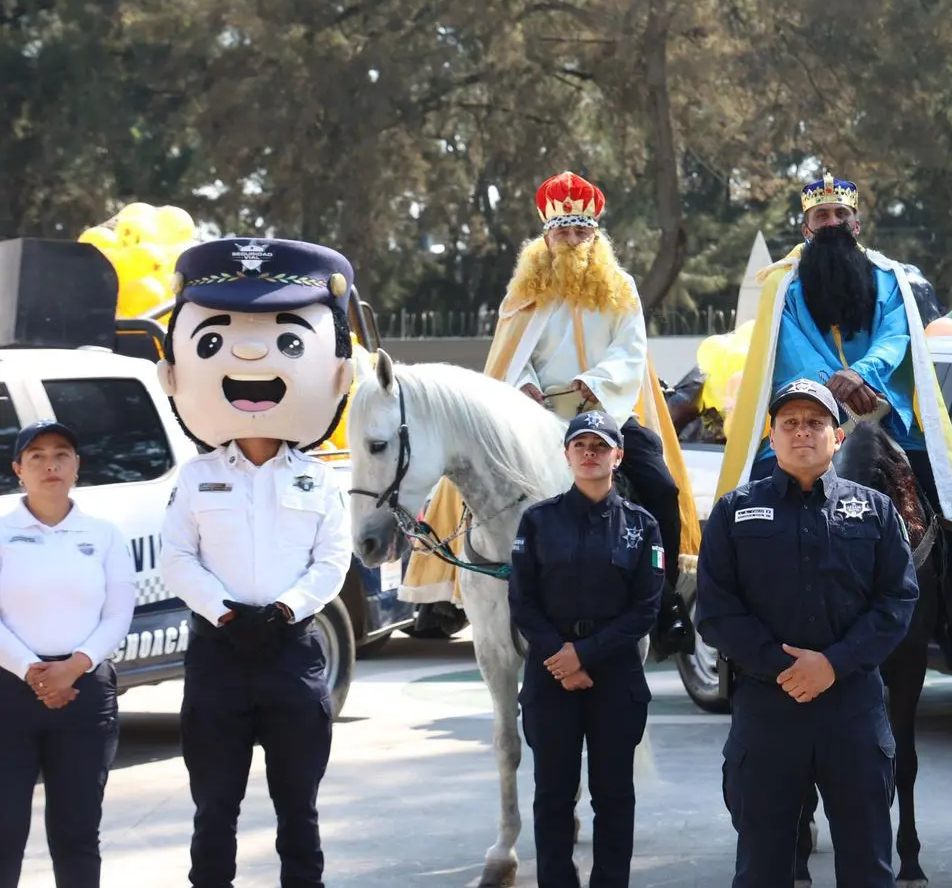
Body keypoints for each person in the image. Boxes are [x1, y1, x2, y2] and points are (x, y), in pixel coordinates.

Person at [403, 170, 697, 660]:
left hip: (609, 412)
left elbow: (631, 348)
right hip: (539, 418)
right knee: (467, 478)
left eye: (581, 232)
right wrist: (527, 387)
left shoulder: (621, 286)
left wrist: (596, 382)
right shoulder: (523, 292)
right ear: (546, 236)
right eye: (562, 232)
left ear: (595, 236)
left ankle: (664, 601)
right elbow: (512, 358)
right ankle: (454, 592)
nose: (572, 240)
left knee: (661, 486)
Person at [715, 171, 952, 669]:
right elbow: (789, 347)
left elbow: (895, 335)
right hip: (811, 413)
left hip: (883, 413)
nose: (832, 222)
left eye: (841, 215)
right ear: (806, 228)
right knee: (751, 500)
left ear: (856, 224)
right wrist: (832, 387)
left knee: (948, 502)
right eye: (822, 216)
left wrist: (861, 377)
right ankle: (741, 629)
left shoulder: (891, 278)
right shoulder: (783, 287)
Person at [156, 237, 358, 888]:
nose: (250, 356)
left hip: (291, 654)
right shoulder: (198, 477)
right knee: (215, 809)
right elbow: (177, 557)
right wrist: (222, 612)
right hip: (218, 656)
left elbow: (332, 559)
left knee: (299, 809)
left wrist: (284, 611)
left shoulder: (320, 480)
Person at [696, 378, 918, 888]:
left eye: (815, 423)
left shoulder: (877, 511)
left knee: (867, 866)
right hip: (768, 709)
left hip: (853, 711)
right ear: (770, 438)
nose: (802, 433)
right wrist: (787, 668)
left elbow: (897, 600)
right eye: (790, 423)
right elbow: (716, 610)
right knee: (762, 867)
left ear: (837, 437)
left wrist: (832, 665)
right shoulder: (733, 513)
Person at [509, 409, 663, 888]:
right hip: (550, 673)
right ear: (567, 455)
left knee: (614, 794)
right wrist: (562, 657)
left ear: (618, 456)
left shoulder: (642, 525)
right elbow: (522, 600)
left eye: (600, 446)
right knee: (553, 794)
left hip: (614, 675)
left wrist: (586, 654)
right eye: (581, 445)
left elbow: (645, 608)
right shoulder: (537, 521)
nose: (590, 453)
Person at [0, 421, 133, 888]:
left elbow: (118, 613)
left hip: (85, 696)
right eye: (35, 455)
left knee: (76, 835)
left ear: (77, 466)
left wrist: (74, 667)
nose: (50, 463)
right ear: (18, 469)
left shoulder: (104, 535)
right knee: (4, 833)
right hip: (8, 695)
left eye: (62, 454)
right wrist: (33, 673)